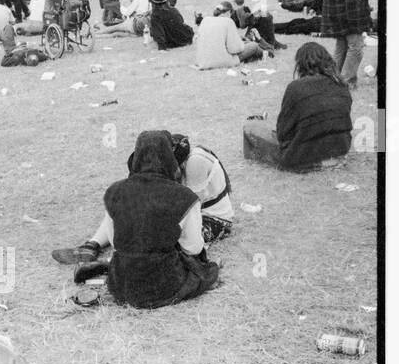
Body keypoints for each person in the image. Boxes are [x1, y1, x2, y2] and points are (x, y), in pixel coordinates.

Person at [56, 131, 220, 310]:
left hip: (121, 286)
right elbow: (193, 247)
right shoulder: (185, 197)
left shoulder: (115, 191)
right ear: (170, 158)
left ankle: (102, 263)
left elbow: (115, 243)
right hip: (165, 286)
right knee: (204, 269)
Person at [242, 42, 353, 170]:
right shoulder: (342, 85)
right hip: (340, 154)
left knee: (250, 129)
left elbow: (283, 133)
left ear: (301, 65)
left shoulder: (296, 88)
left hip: (304, 158)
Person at [170, 135, 234, 242]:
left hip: (216, 220)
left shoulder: (195, 162)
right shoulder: (191, 157)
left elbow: (190, 205)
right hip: (202, 214)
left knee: (174, 240)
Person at [195, 2, 262, 69]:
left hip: (203, 61)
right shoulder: (228, 21)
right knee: (254, 45)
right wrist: (241, 44)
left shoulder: (205, 20)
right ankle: (265, 53)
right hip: (222, 61)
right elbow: (234, 49)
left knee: (246, 43)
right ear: (228, 12)